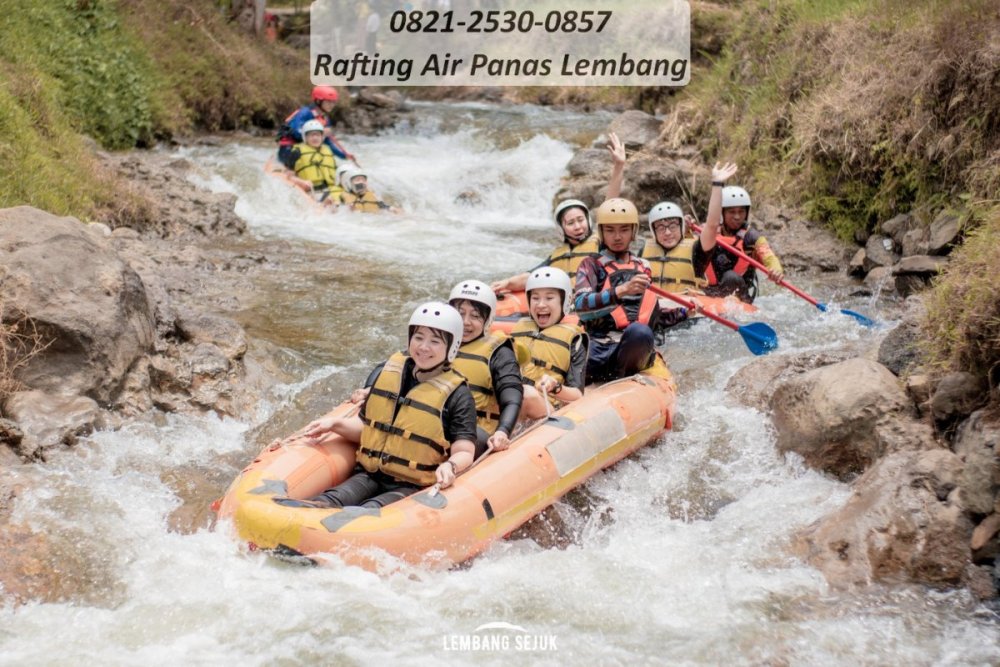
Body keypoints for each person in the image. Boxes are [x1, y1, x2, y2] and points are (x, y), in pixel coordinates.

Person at [275, 303, 477, 509]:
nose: (424, 347)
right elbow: (367, 427)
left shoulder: (458, 395)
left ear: (452, 346)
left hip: (410, 486)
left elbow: (465, 451)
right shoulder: (391, 374)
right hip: (369, 474)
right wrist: (334, 424)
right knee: (327, 501)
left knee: (366, 512)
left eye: (435, 341)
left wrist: (451, 465)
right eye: (418, 337)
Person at [491, 133, 626, 294]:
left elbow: (609, 206)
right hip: (567, 307)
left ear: (588, 221)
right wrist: (506, 283)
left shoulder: (602, 243)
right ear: (562, 229)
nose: (577, 226)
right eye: (570, 223)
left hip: (594, 303)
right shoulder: (556, 256)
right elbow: (530, 277)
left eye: (580, 220)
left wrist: (618, 166)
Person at [574, 198, 688, 382]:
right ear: (601, 232)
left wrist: (684, 312)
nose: (617, 236)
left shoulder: (643, 266)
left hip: (632, 349)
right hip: (599, 347)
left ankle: (620, 380)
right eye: (610, 230)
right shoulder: (591, 265)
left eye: (624, 230)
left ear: (634, 232)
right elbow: (580, 306)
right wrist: (620, 291)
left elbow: (652, 314)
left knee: (640, 332)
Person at [447, 280, 523, 457]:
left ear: (487, 320)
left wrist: (503, 431)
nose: (465, 322)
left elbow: (512, 397)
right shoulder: (435, 344)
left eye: (475, 316)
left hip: (475, 432)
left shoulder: (499, 352)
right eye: (460, 313)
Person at [510, 268, 588, 419]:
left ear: (564, 301)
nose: (540, 305)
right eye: (535, 298)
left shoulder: (575, 339)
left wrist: (555, 387)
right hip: (511, 401)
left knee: (527, 393)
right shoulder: (519, 328)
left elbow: (578, 396)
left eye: (549, 298)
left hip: (544, 405)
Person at [695, 175, 784, 304]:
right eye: (732, 212)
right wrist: (685, 227)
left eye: (741, 212)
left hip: (738, 295)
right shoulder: (708, 232)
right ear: (722, 213)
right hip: (707, 292)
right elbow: (689, 248)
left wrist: (776, 271)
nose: (737, 217)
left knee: (731, 278)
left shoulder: (752, 237)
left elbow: (769, 257)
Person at [276, 86, 357, 169]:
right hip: (289, 150)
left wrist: (344, 156)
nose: (332, 105)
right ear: (318, 101)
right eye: (328, 102)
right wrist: (320, 132)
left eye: (333, 102)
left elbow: (328, 143)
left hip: (306, 150)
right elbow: (296, 133)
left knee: (326, 158)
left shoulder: (324, 118)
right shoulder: (305, 113)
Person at [639, 201, 706, 293]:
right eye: (661, 228)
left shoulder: (696, 249)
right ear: (653, 231)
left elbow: (712, 227)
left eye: (673, 226)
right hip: (653, 303)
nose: (667, 233)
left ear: (681, 226)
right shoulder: (643, 250)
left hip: (684, 303)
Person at [284, 120, 342, 205]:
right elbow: (288, 176)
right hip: (313, 191)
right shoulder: (296, 152)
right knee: (331, 203)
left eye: (318, 135)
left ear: (322, 137)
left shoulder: (327, 150)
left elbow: (335, 172)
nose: (315, 138)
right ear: (305, 137)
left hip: (331, 189)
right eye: (311, 135)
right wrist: (302, 182)